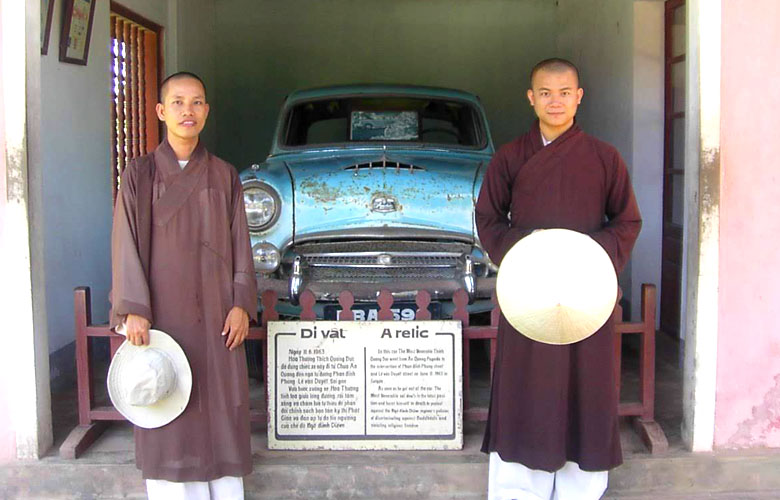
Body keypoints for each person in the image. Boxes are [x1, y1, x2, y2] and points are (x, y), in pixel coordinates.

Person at [475, 58, 642, 500]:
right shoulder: (510, 157)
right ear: (531, 98)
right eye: (545, 93)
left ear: (579, 97)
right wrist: (532, 256)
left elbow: (626, 221)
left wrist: (581, 258)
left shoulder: (605, 158)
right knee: (524, 389)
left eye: (564, 92)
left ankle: (579, 490)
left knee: (588, 389)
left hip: (586, 292)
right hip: (528, 291)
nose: (555, 101)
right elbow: (488, 219)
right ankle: (517, 490)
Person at [110, 71, 257, 499]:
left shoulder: (225, 175)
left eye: (196, 102)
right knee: (168, 408)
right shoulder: (138, 175)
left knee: (220, 410)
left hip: (216, 315)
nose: (187, 111)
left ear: (207, 112)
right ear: (160, 111)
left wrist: (241, 303)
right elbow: (125, 243)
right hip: (162, 316)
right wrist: (133, 307)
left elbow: (240, 242)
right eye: (177, 102)